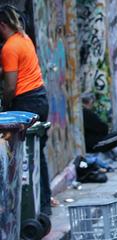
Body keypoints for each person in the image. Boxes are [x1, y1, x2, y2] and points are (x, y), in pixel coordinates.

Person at [0, 5, 52, 215]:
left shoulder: (9, 48)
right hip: (39, 99)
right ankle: (44, 205)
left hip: (25, 103)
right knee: (36, 154)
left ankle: (30, 208)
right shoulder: (24, 39)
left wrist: (5, 102)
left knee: (24, 158)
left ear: (2, 25)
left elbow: (11, 86)